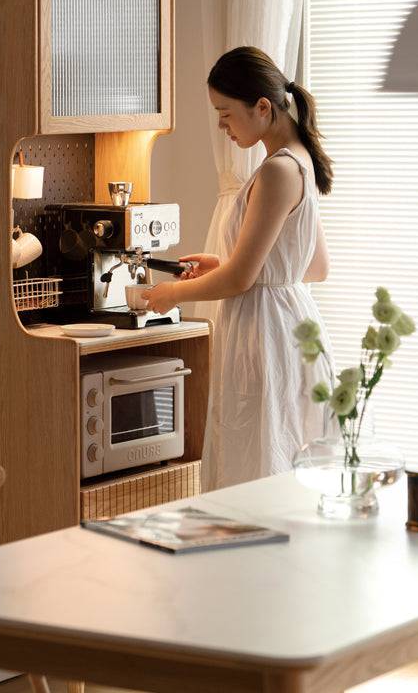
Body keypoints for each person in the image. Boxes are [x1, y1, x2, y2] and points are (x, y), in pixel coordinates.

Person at [142, 46, 334, 491]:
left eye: (225, 114)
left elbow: (242, 279)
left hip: (265, 333)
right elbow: (315, 266)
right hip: (294, 325)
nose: (222, 126)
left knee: (256, 459)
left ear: (262, 107)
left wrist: (170, 296)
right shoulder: (300, 160)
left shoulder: (277, 172)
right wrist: (226, 264)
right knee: (285, 453)